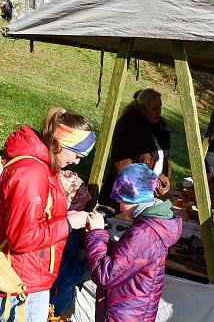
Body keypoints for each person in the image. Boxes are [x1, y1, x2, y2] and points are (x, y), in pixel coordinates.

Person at [0, 107, 96, 322]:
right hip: (22, 284)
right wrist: (68, 224)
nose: (78, 161)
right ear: (60, 144)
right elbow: (21, 238)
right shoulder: (33, 174)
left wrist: (62, 216)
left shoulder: (42, 168)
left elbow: (33, 217)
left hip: (29, 278)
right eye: (77, 154)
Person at [86, 163, 182, 322]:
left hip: (123, 314)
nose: (120, 207)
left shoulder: (143, 234)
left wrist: (96, 234)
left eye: (121, 201)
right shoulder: (155, 223)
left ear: (134, 199)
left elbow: (106, 276)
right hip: (133, 309)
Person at [98, 88, 171, 210]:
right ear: (142, 108)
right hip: (128, 199)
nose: (159, 112)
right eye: (154, 108)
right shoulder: (128, 127)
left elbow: (161, 159)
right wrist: (131, 197)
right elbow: (122, 165)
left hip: (147, 195)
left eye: (160, 107)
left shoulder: (157, 129)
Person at [50, 170, 91, 317]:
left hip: (58, 296)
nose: (83, 211)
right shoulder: (60, 232)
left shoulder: (67, 227)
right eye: (80, 207)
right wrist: (88, 266)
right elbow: (63, 273)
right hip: (53, 300)